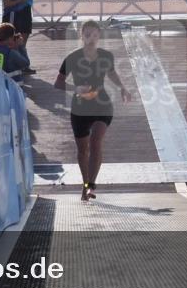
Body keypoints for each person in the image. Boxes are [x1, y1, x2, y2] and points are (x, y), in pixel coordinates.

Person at [54, 20, 133, 201]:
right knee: (83, 150)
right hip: (80, 107)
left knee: (96, 141)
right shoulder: (73, 58)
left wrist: (122, 87)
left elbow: (111, 72)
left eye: (95, 35)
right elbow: (58, 83)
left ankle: (91, 185)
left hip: (102, 104)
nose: (91, 38)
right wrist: (76, 89)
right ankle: (85, 183)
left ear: (99, 36)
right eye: (87, 34)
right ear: (81, 36)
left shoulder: (106, 56)